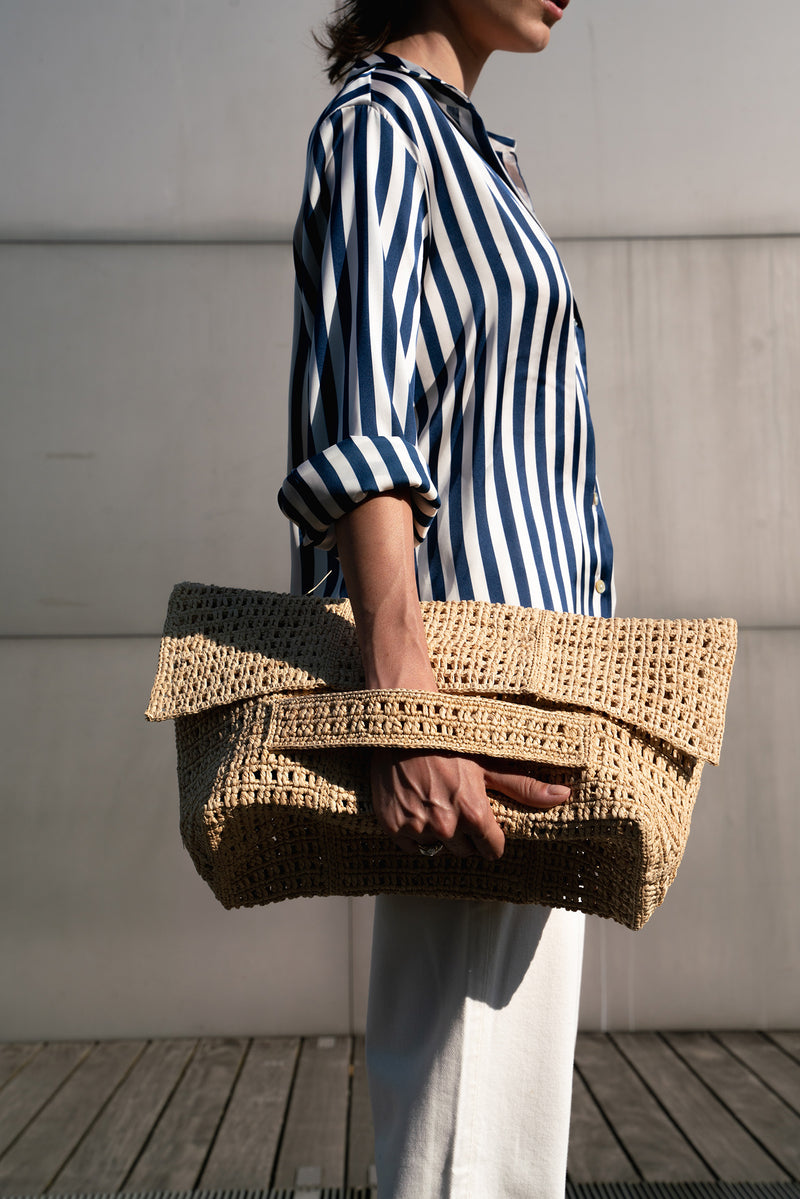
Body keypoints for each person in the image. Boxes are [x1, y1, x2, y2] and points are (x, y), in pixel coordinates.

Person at [278, 1, 615, 1194]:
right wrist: (404, 696)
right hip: (460, 688)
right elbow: (365, 412)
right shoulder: (379, 125)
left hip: (528, 683)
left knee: (501, 1117)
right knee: (460, 1119)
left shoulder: (474, 148)